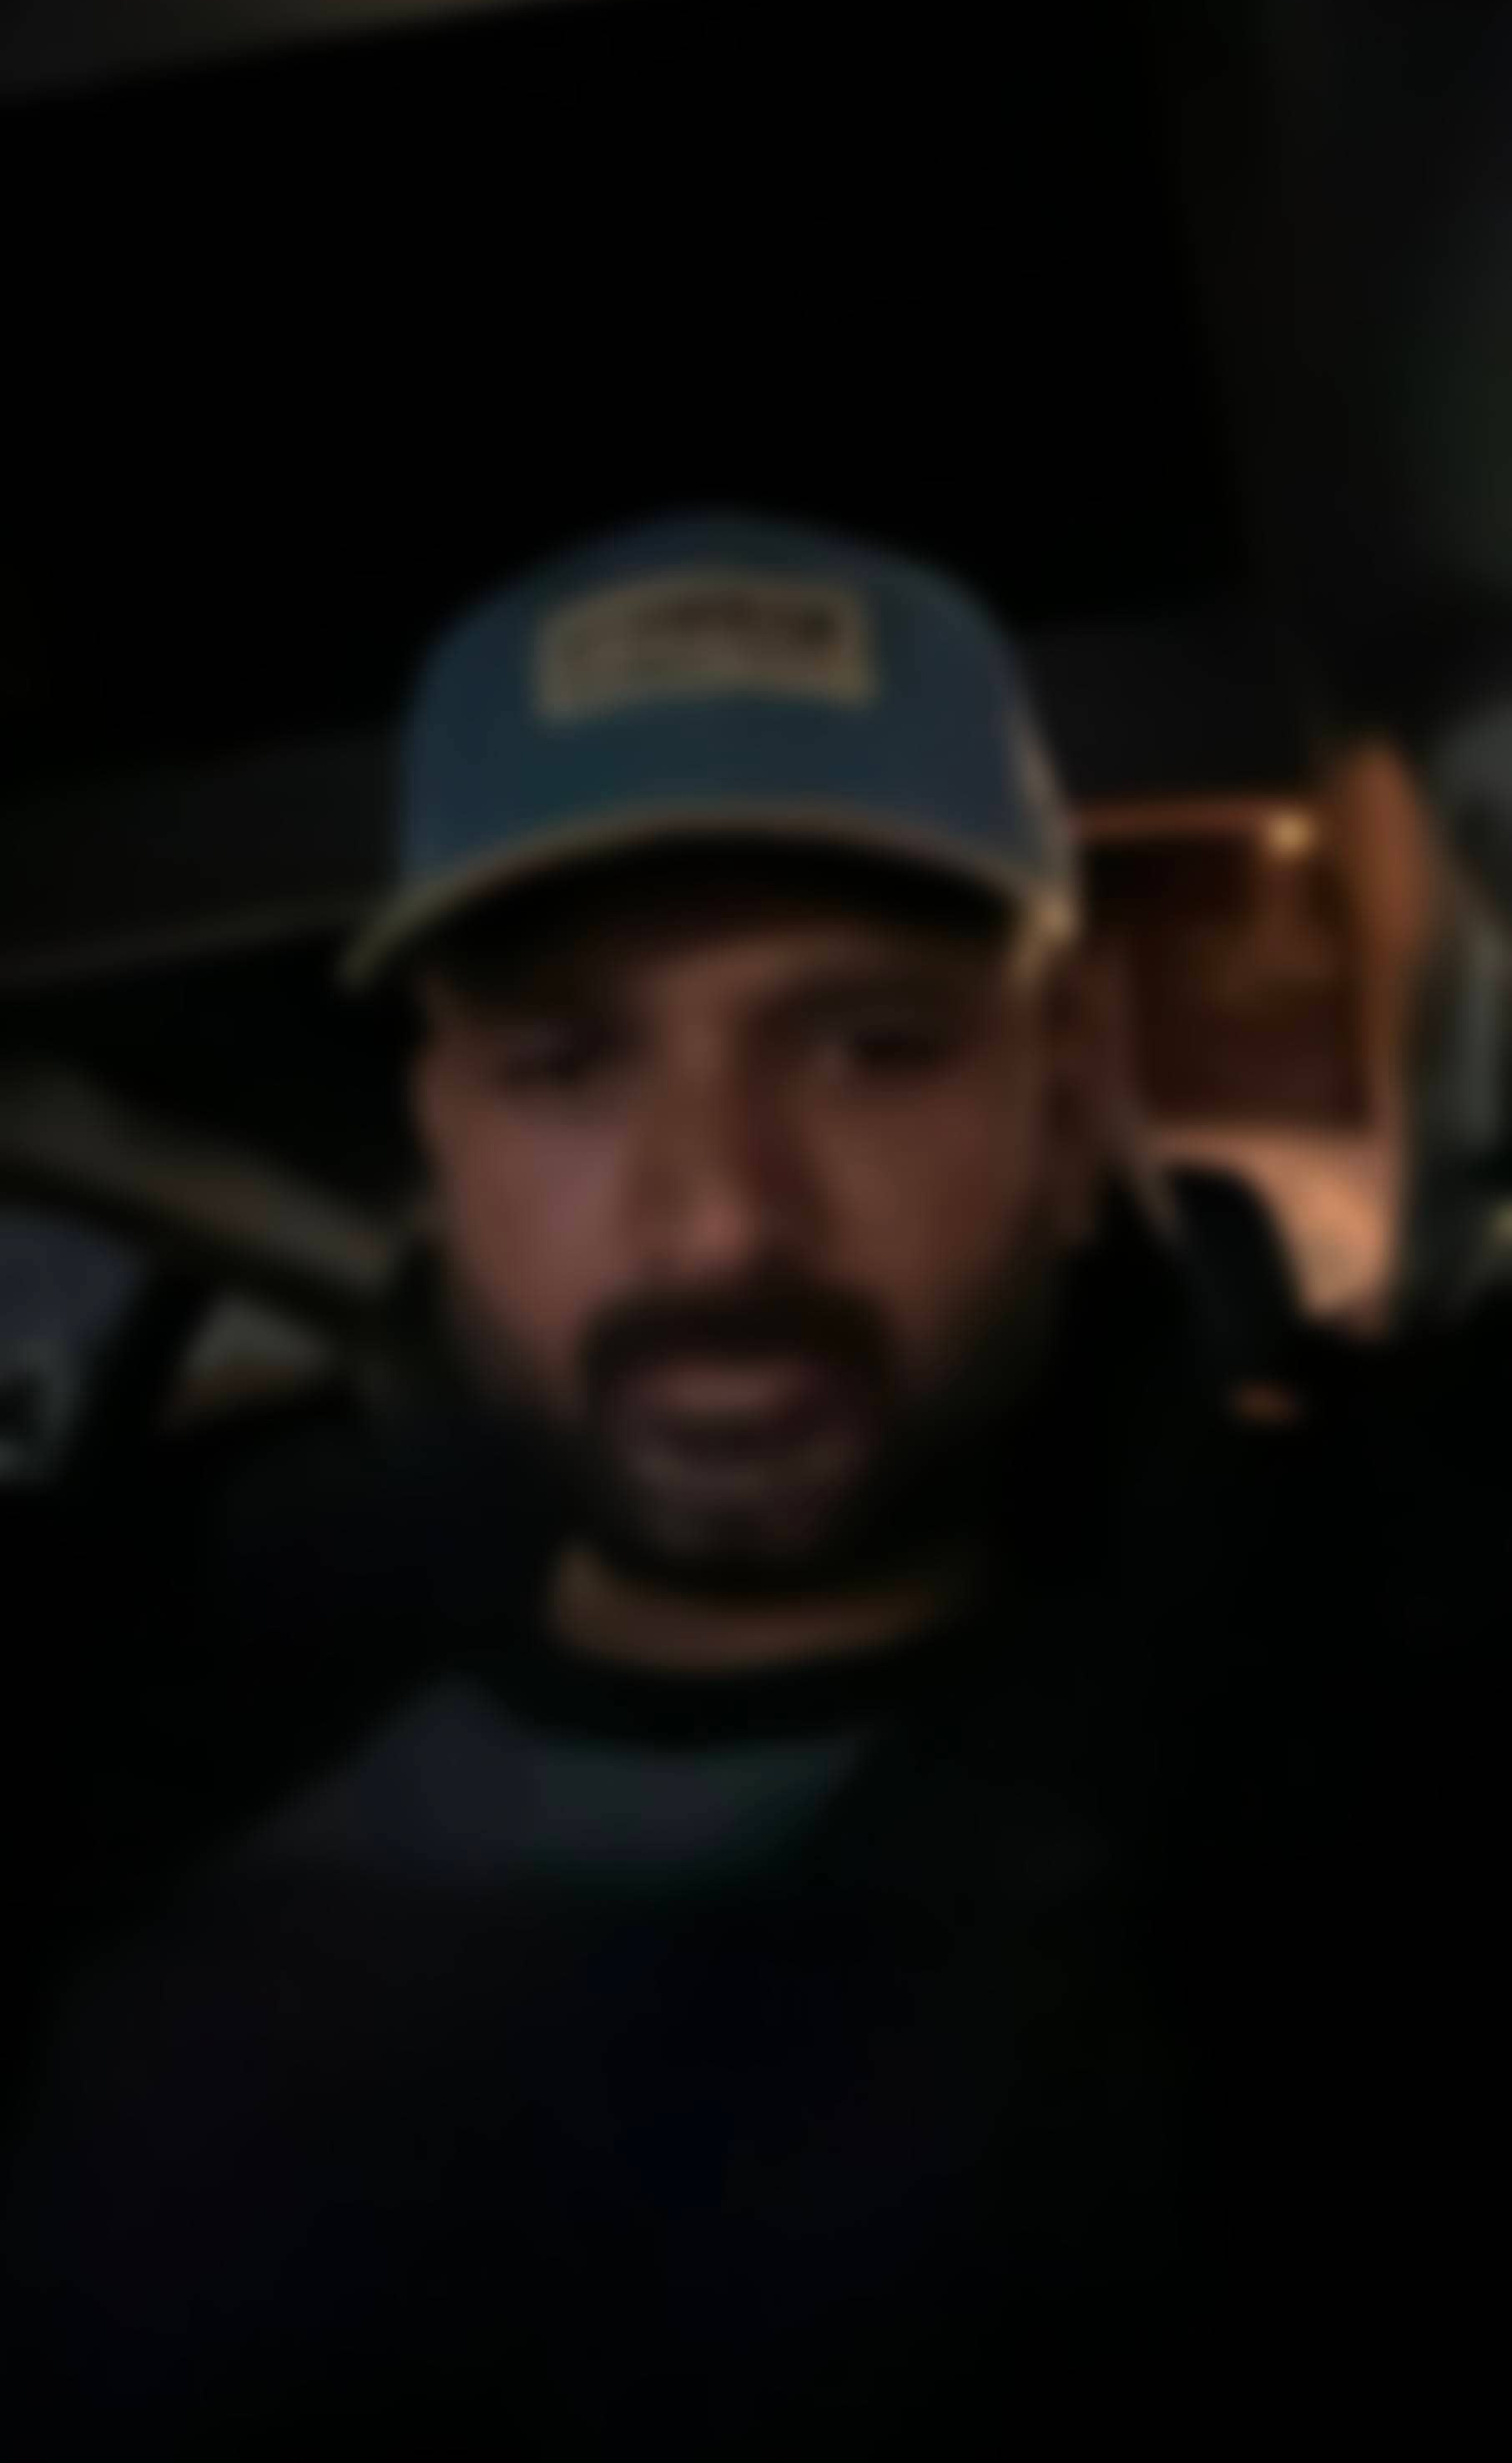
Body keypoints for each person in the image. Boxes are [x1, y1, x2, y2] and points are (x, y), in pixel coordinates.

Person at [1, 516, 1503, 2453]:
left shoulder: (1344, 1773)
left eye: (875, 1048)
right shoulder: (127, 1737)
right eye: (565, 1065)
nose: (719, 1215)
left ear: (1068, 1100)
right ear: (443, 1139)